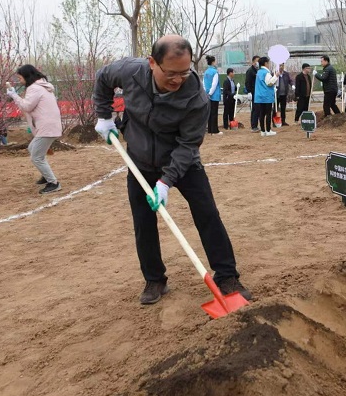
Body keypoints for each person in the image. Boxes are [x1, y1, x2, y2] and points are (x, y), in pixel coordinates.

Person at [92, 35, 251, 305]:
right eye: (171, 73)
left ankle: (226, 277)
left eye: (185, 72)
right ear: (152, 62)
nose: (178, 80)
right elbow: (103, 78)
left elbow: (189, 144)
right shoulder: (131, 72)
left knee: (207, 213)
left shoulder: (196, 97)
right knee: (143, 220)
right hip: (140, 159)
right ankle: (155, 279)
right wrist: (104, 115)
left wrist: (166, 181)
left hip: (182, 161)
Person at [6, 65, 63, 194]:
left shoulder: (34, 88)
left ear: (27, 76)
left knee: (36, 157)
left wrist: (14, 95)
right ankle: (46, 173)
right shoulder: (43, 86)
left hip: (47, 127)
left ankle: (53, 183)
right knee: (33, 149)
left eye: (20, 78)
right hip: (50, 125)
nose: (20, 81)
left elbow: (27, 106)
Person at [254, 56, 278, 136]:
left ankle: (263, 130)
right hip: (266, 96)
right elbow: (269, 83)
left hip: (259, 96)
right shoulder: (266, 72)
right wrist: (276, 76)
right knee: (268, 113)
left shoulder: (259, 72)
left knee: (262, 114)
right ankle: (268, 130)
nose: (269, 64)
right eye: (268, 62)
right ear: (266, 63)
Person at [203, 55, 222, 135]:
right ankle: (215, 130)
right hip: (214, 95)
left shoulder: (206, 72)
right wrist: (211, 93)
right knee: (214, 113)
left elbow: (203, 83)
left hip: (207, 95)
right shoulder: (215, 72)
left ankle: (210, 129)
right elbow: (214, 84)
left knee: (210, 113)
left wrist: (206, 93)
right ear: (213, 62)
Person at [245, 56, 261, 132]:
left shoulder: (258, 70)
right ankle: (254, 126)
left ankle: (256, 125)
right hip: (253, 92)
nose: (258, 63)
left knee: (258, 109)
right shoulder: (250, 71)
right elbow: (247, 82)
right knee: (255, 109)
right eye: (257, 61)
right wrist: (249, 92)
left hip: (258, 92)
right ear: (253, 62)